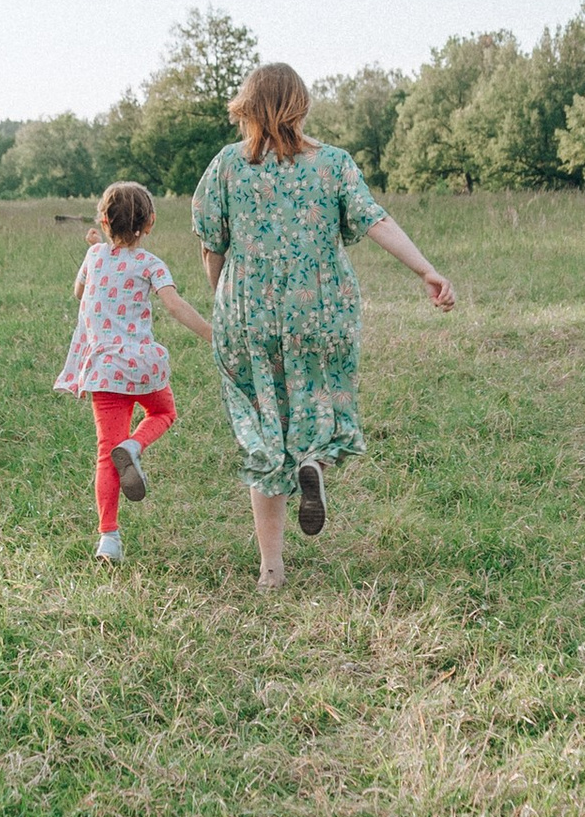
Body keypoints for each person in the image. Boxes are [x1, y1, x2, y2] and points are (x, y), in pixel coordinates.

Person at [191, 61, 455, 590]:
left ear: (245, 106)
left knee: (264, 428)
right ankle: (312, 460)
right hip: (322, 306)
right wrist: (425, 269)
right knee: (319, 399)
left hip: (250, 310)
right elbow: (375, 219)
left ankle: (272, 569)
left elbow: (211, 244)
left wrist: (223, 299)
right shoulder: (332, 163)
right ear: (301, 104)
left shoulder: (225, 166)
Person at [53, 178, 218, 562]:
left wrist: (97, 248)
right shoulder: (150, 264)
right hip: (141, 366)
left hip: (103, 371)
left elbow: (78, 293)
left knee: (103, 453)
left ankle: (108, 539)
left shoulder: (94, 258)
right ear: (151, 222)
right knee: (163, 412)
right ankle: (135, 445)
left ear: (105, 222)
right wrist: (213, 335)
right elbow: (175, 306)